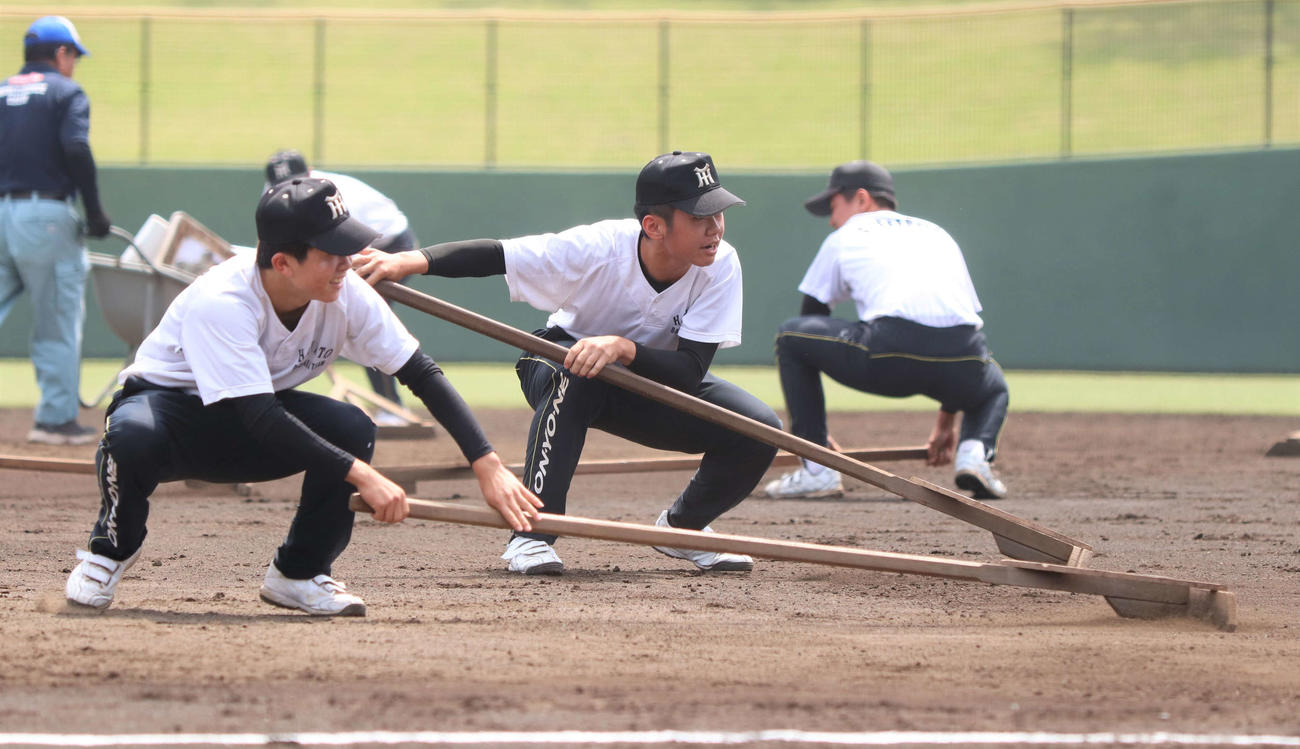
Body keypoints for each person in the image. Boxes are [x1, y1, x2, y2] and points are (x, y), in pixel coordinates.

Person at [64, 177, 542, 616]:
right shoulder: (223, 300)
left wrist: (486, 463)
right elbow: (258, 415)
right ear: (283, 263)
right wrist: (363, 476)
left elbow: (421, 372)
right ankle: (110, 552)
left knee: (351, 427)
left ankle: (299, 573)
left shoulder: (345, 291)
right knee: (131, 436)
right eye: (332, 253)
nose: (347, 264)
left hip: (251, 422)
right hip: (171, 420)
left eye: (348, 249)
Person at [353, 150, 780, 576]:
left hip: (651, 379)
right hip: (557, 359)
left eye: (719, 213)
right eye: (700, 216)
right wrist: (407, 260)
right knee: (578, 375)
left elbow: (688, 371)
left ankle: (683, 528)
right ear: (654, 226)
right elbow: (499, 255)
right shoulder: (598, 247)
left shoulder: (721, 263)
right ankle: (532, 535)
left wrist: (622, 348)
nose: (715, 227)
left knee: (759, 428)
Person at [763, 160, 1010, 501]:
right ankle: (974, 455)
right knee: (993, 387)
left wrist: (813, 437)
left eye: (833, 206)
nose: (832, 219)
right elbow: (947, 331)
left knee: (792, 337)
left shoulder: (846, 234)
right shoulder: (937, 232)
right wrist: (946, 422)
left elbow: (812, 320)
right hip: (964, 357)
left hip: (890, 354)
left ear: (861, 199)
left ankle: (816, 470)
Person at [0, 16, 111, 445]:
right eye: (74, 56)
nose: (74, 64)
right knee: (57, 323)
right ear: (61, 53)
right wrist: (95, 213)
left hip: (2, 214)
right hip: (45, 219)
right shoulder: (65, 92)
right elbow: (76, 147)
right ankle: (55, 420)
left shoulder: (2, 90)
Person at [265, 148, 417, 419]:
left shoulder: (332, 196)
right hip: (333, 249)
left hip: (390, 244)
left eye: (296, 179)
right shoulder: (276, 196)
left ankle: (391, 407)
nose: (289, 186)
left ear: (310, 172)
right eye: (282, 183)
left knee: (365, 316)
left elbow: (347, 247)